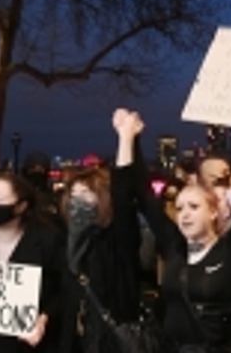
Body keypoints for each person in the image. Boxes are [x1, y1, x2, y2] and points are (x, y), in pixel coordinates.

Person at [132, 108, 231, 352]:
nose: (184, 213)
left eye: (194, 206)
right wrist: (132, 140)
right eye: (180, 207)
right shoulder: (176, 247)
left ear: (213, 211)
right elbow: (146, 198)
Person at [57, 109, 144, 353]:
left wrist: (126, 140)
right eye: (73, 196)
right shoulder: (66, 243)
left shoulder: (118, 239)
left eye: (86, 196)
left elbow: (124, 193)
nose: (77, 203)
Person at [0, 173, 65, 352]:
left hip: (30, 342)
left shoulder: (48, 240)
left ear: (21, 206)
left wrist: (44, 318)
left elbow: (63, 290)